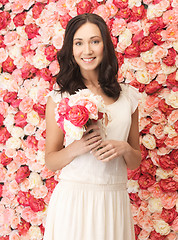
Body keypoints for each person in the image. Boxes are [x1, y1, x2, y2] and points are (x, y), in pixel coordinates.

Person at [44, 13, 141, 240]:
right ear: (71, 49)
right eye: (79, 43)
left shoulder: (129, 97)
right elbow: (51, 160)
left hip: (113, 200)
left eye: (94, 41)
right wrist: (78, 147)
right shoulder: (60, 99)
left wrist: (124, 149)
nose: (87, 51)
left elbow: (135, 161)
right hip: (74, 201)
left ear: (105, 46)